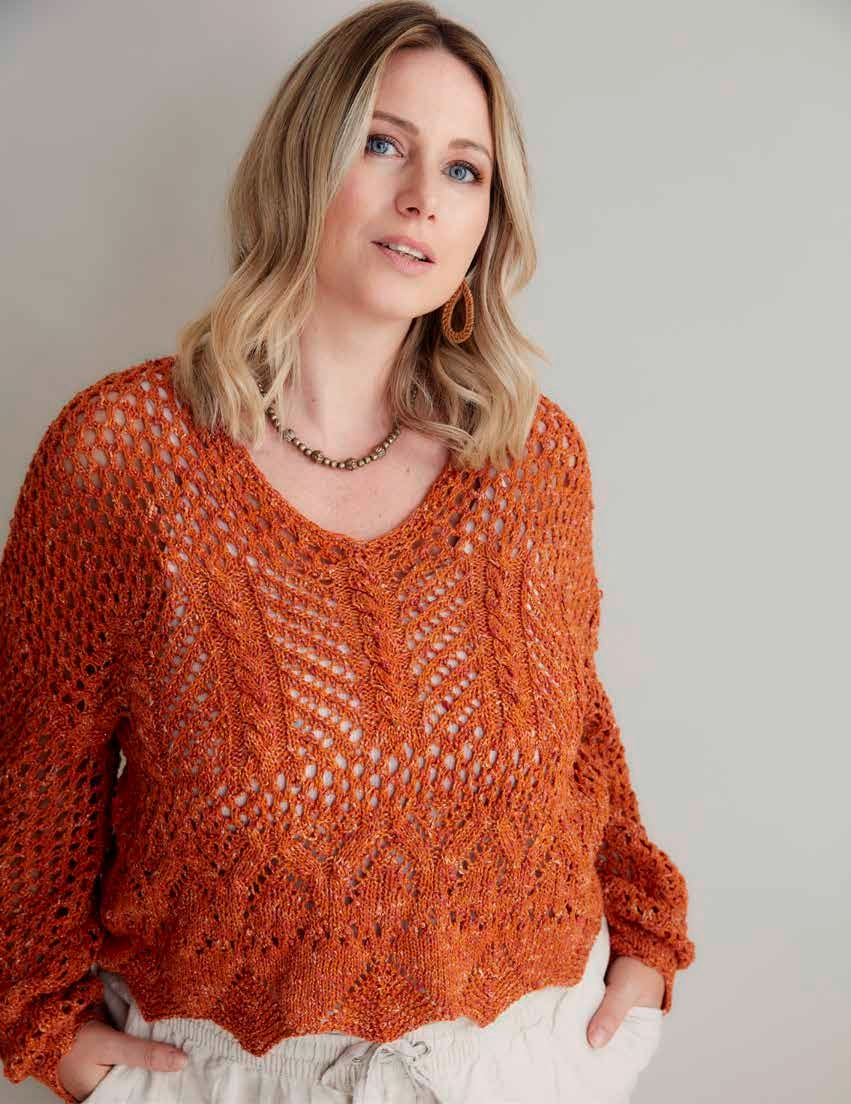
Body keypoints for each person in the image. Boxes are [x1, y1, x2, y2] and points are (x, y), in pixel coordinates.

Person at [0, 2, 696, 1102]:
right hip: (236, 1073)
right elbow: (31, 778)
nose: (424, 196)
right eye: (382, 143)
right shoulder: (124, 458)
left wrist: (643, 945)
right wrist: (52, 1032)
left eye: (464, 170)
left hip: (526, 1057)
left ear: (488, 222)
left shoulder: (528, 458)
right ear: (303, 160)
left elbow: (579, 741)